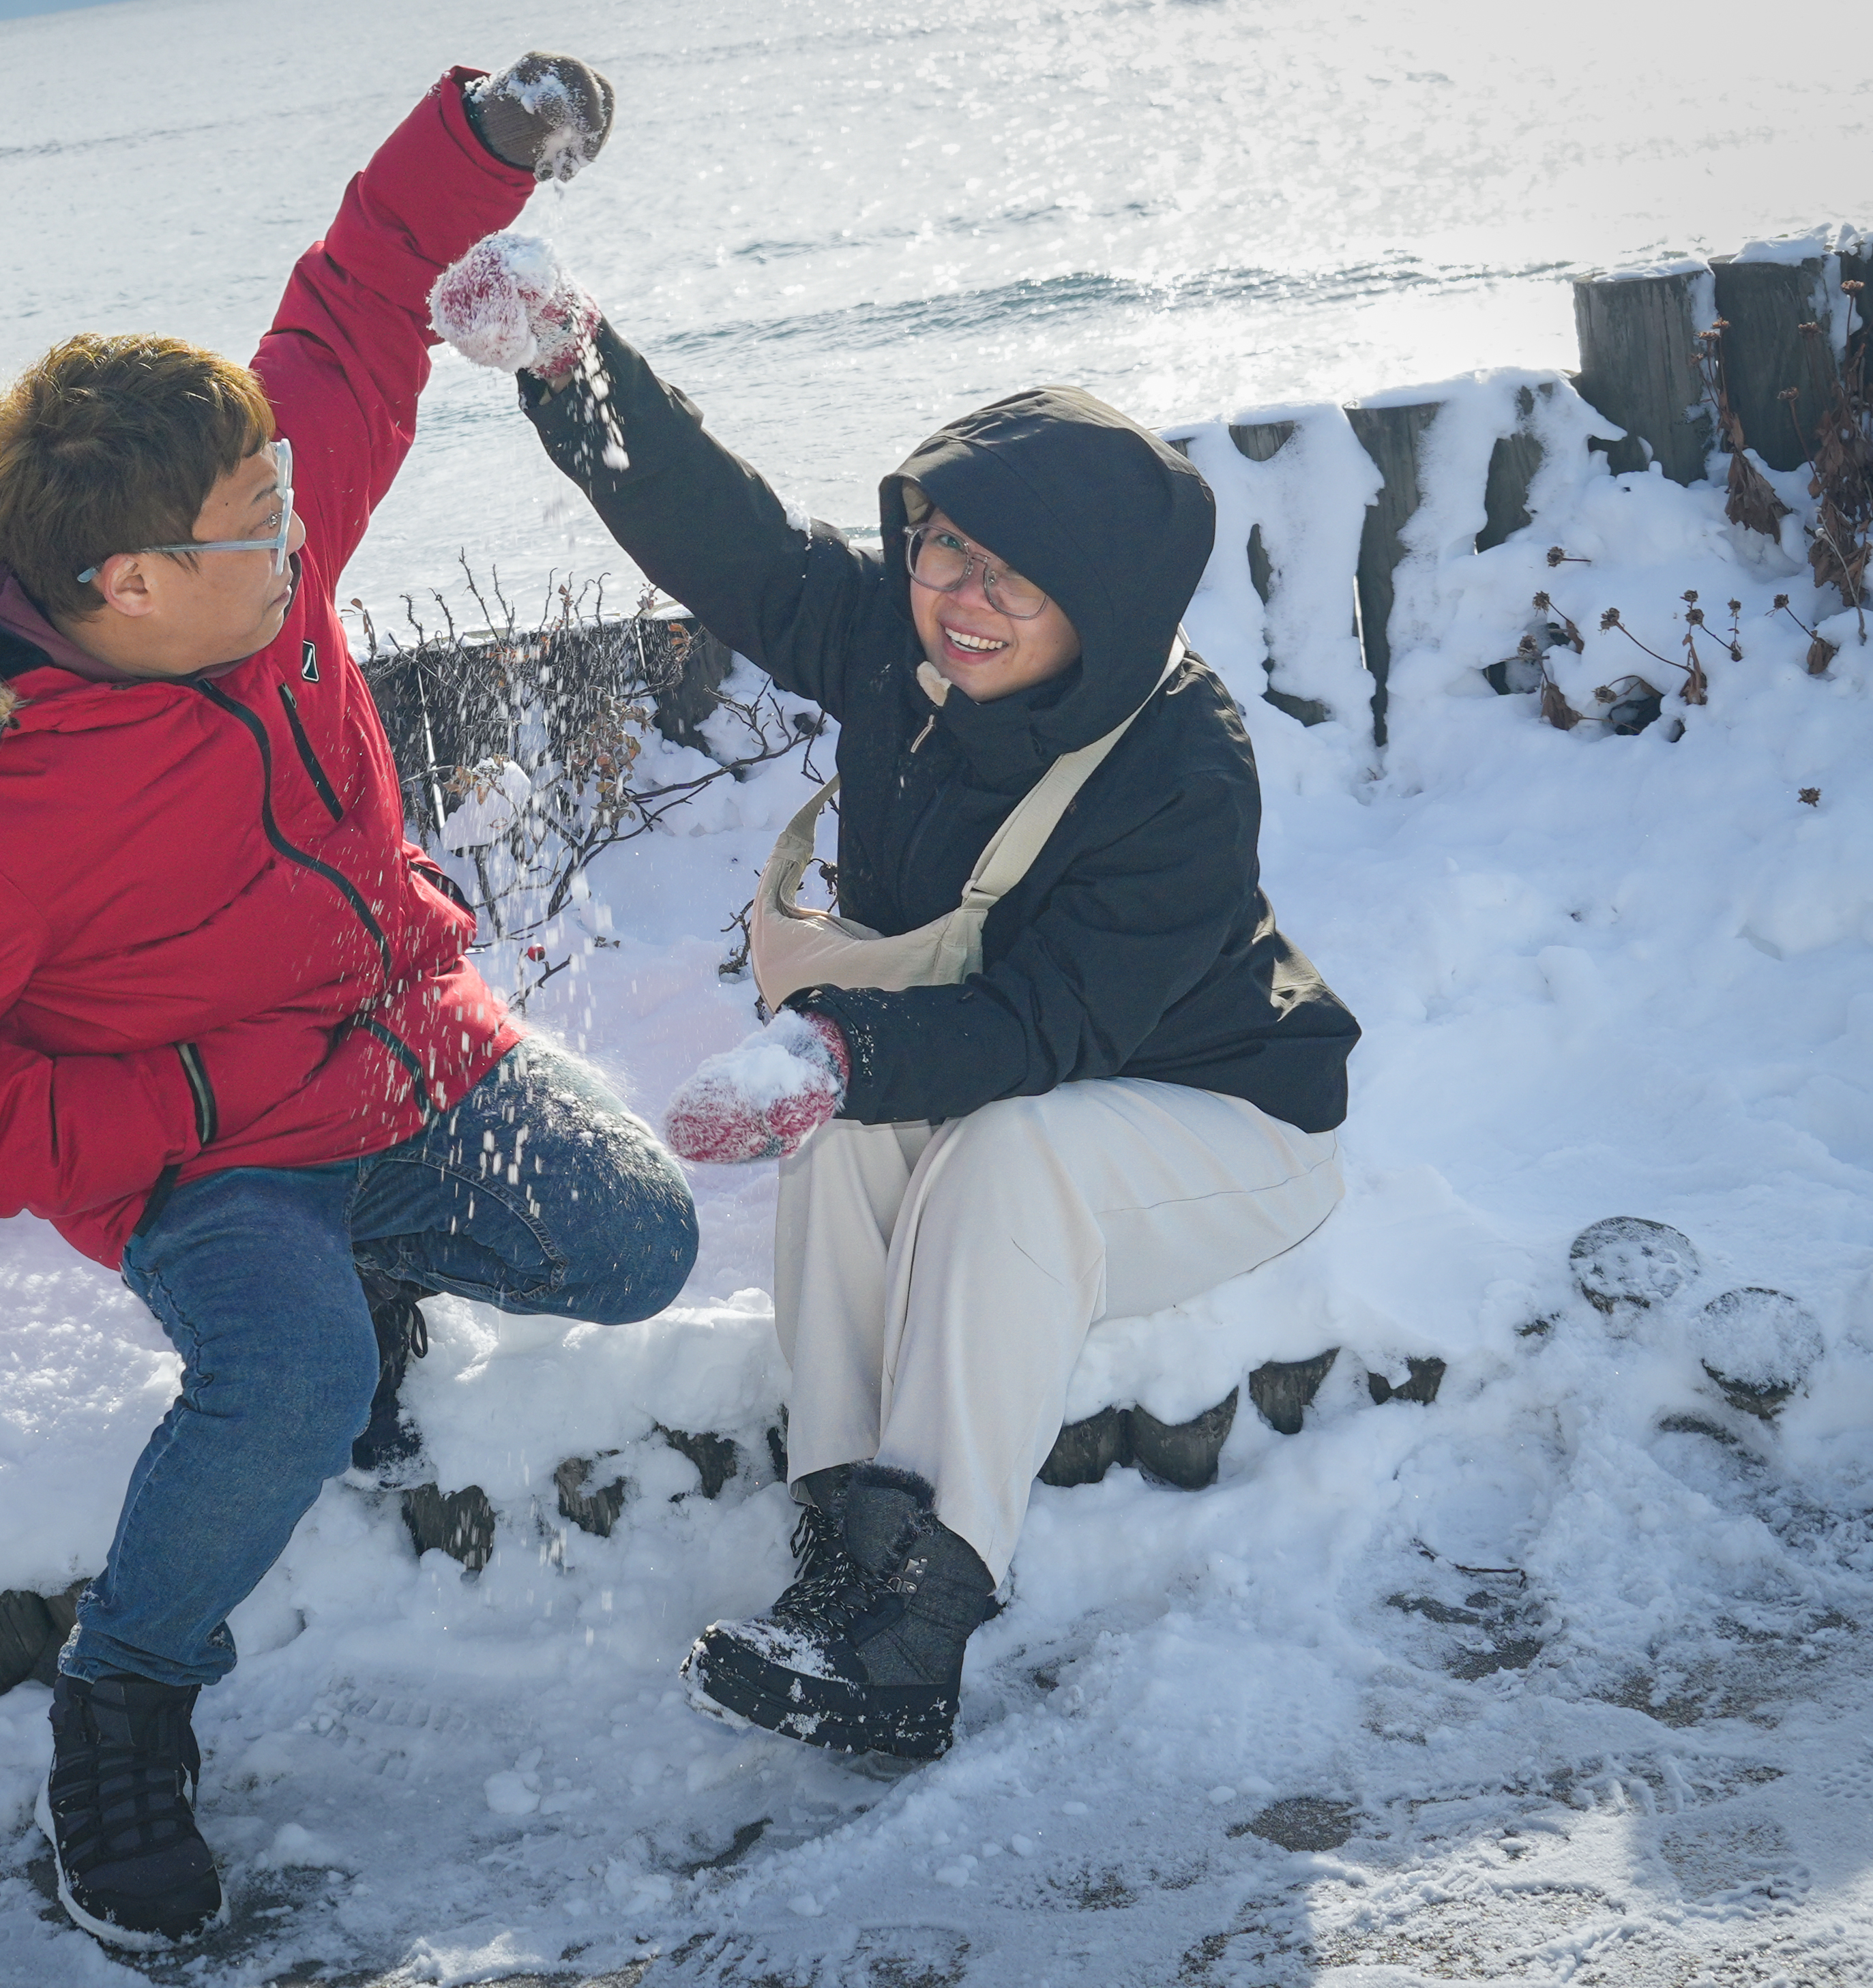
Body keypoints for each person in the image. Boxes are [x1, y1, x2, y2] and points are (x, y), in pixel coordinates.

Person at [0, 60, 695, 1950]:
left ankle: (379, 1256)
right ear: (123, 582)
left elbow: (352, 306)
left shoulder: (258, 552)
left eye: (283, 501)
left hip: (403, 1045)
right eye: (254, 529)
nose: (302, 542)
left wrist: (488, 140)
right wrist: (158, 1110)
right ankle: (124, 1702)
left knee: (642, 1238)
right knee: (296, 1379)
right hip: (211, 1153)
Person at [429, 234, 1361, 1762]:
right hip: (1038, 1089)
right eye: (940, 549)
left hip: (1224, 1121)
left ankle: (919, 1623)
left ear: (1108, 599)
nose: (960, 600)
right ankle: (839, 1564)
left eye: (1014, 577)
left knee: (996, 1147)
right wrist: (567, 361)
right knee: (858, 1140)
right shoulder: (899, 649)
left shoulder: (1181, 767)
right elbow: (730, 545)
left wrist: (831, 1046)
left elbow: (1046, 1031)